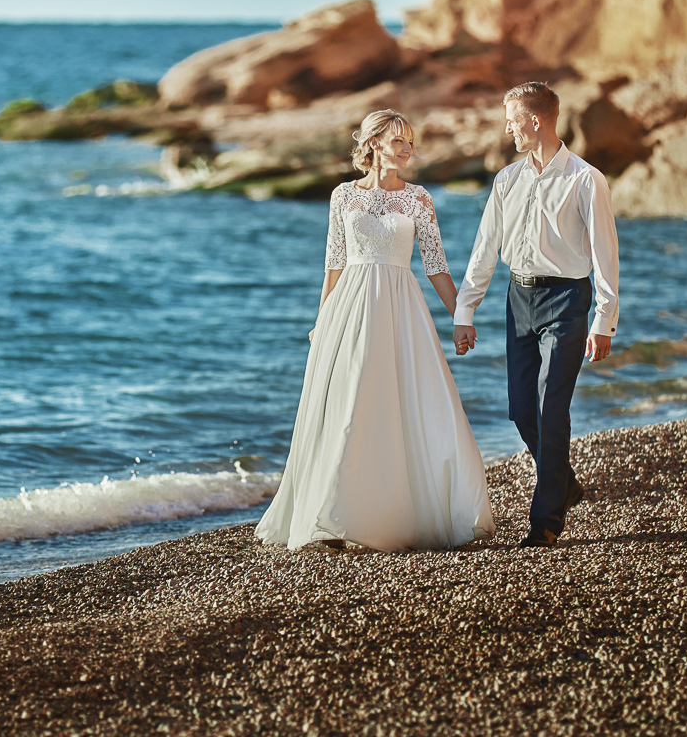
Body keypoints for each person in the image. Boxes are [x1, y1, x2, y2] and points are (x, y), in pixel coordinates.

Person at [255, 109, 495, 552]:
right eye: (398, 141)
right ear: (374, 144)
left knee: (405, 402)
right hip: (349, 307)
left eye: (410, 142)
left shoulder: (418, 198)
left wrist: (462, 315)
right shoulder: (343, 196)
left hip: (402, 309)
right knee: (350, 405)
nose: (408, 149)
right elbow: (334, 265)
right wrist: (321, 320)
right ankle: (334, 516)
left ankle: (397, 512)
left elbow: (436, 267)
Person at [452, 82, 620, 548]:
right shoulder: (506, 179)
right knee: (523, 409)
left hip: (568, 301)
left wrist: (603, 321)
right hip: (518, 300)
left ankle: (545, 521)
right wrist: (466, 310)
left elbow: (606, 256)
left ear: (536, 121)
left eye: (512, 120)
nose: (508, 129)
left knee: (550, 404)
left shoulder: (586, 179)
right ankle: (563, 482)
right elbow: (485, 249)